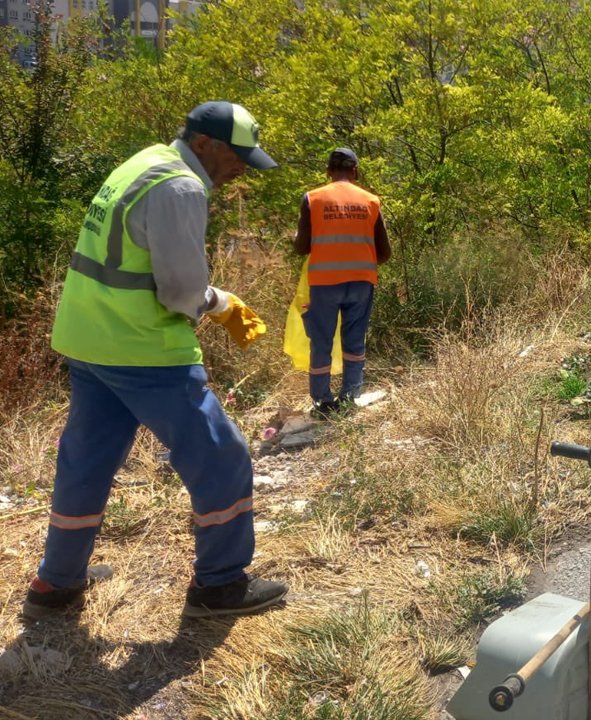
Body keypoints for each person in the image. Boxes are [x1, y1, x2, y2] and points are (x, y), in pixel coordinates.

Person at [25, 101, 288, 620]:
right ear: (205, 144)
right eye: (237, 156)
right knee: (222, 456)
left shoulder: (143, 162)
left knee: (87, 461)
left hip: (88, 339)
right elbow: (180, 292)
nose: (241, 169)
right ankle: (220, 586)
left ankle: (56, 584)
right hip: (144, 349)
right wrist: (223, 304)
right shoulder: (181, 187)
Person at [293, 148, 390, 416]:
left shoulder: (313, 198)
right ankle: (349, 396)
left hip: (324, 283)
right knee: (354, 340)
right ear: (356, 171)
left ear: (328, 172)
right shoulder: (371, 201)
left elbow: (301, 247)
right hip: (361, 282)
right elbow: (385, 253)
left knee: (321, 341)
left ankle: (322, 401)